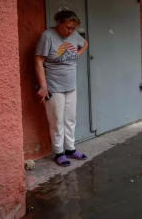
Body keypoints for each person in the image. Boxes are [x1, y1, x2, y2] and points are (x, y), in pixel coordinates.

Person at [35, 10, 89, 167]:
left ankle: (70, 149)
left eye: (73, 28)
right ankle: (59, 152)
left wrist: (75, 57)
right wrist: (43, 86)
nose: (70, 31)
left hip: (71, 85)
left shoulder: (73, 36)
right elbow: (38, 61)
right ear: (58, 22)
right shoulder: (47, 36)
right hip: (54, 86)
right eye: (68, 27)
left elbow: (85, 44)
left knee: (70, 119)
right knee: (56, 120)